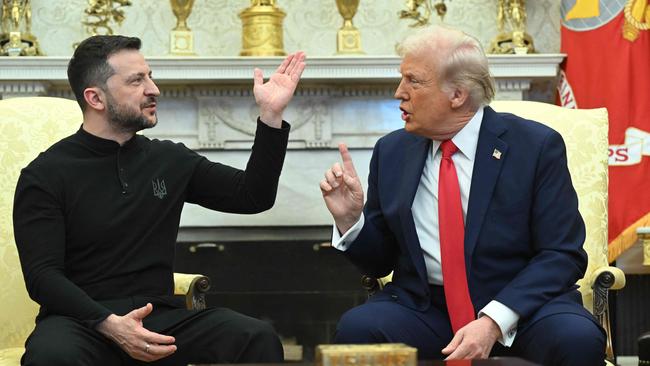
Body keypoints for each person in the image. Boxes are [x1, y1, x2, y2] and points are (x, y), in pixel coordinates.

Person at [319, 25, 605, 366]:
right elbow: (380, 261)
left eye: (413, 80)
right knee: (358, 329)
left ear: (457, 94)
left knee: (577, 339)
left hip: (523, 307)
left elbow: (562, 254)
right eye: (402, 79)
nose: (399, 92)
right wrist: (350, 219)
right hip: (426, 308)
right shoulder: (392, 151)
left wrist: (493, 321)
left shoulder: (536, 146)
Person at [13, 35, 305, 365]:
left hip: (161, 320)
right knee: (51, 356)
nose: (154, 89)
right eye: (137, 80)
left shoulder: (169, 159)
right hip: (81, 323)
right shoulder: (45, 174)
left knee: (256, 338)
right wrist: (110, 324)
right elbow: (43, 277)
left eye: (150, 76)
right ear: (95, 98)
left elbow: (254, 195)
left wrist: (270, 116)